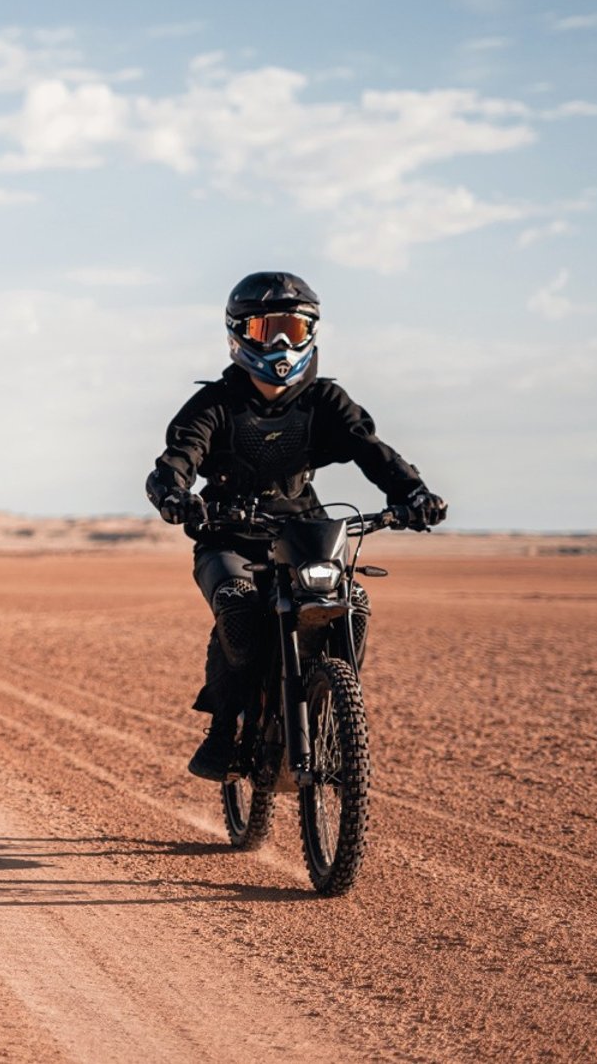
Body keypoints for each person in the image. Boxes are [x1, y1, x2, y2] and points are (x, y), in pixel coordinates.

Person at [145, 271, 447, 780]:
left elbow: (370, 451)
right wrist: (175, 495)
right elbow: (176, 459)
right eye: (269, 331)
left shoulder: (324, 402)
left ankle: (330, 702)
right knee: (239, 607)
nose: (283, 343)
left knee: (351, 604)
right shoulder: (214, 404)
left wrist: (411, 493)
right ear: (239, 334)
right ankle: (224, 727)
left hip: (303, 531)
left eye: (295, 328)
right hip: (227, 536)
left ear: (313, 333)